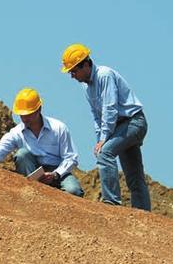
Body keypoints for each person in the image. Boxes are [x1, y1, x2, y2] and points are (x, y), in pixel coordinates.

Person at [61, 44, 151, 211]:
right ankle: (143, 214)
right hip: (118, 127)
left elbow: (110, 108)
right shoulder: (86, 86)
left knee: (105, 153)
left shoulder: (104, 75)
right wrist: (99, 140)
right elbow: (97, 116)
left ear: (86, 64)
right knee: (134, 176)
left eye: (73, 71)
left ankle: (111, 204)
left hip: (133, 122)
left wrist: (103, 141)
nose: (72, 76)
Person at [0, 88, 84, 197]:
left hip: (57, 171)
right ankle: (34, 195)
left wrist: (55, 174)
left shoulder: (59, 128)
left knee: (74, 191)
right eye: (22, 115)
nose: (25, 118)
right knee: (22, 155)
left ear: (39, 109)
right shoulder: (16, 133)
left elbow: (71, 157)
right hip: (32, 170)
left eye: (29, 114)